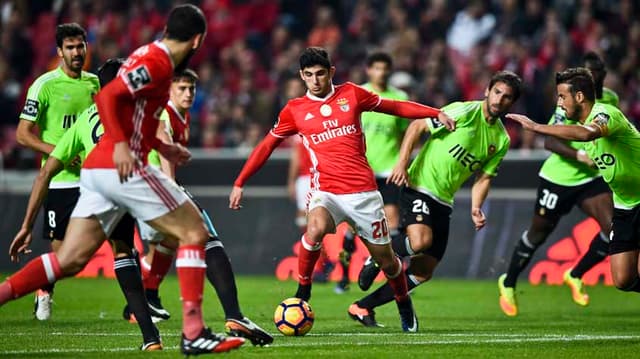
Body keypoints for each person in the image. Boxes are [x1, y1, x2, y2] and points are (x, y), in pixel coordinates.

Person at [0, 5, 245, 355]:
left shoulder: (151, 56)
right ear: (197, 40)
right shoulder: (157, 63)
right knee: (194, 231)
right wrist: (119, 145)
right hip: (121, 167)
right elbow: (108, 96)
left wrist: (164, 146)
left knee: (69, 260)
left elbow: (136, 115)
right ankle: (193, 331)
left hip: (96, 173)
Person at [229, 47, 456, 332]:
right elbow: (266, 145)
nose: (315, 80)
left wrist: (435, 113)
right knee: (314, 229)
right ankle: (303, 292)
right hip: (327, 191)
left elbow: (395, 107)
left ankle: (403, 303)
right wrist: (240, 182)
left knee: (387, 261)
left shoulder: (352, 94)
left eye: (320, 74)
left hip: (363, 194)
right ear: (302, 76)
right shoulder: (295, 110)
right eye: (309, 75)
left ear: (331, 72)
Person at [9, 58, 162, 351]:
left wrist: (26, 225)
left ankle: (151, 335)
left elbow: (45, 172)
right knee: (185, 237)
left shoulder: (87, 117)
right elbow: (151, 152)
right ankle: (161, 330)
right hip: (121, 186)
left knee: (73, 259)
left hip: (93, 189)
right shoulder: (135, 113)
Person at [352, 71, 522, 328]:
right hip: (419, 185)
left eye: (507, 97)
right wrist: (402, 163)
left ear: (512, 103)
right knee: (421, 241)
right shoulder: (464, 112)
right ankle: (377, 256)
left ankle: (362, 307)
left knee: (423, 270)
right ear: (487, 91)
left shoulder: (501, 140)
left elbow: (483, 178)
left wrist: (476, 207)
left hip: (444, 200)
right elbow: (418, 125)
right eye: (497, 92)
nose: (500, 99)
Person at [124, 69, 273, 346]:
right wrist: (173, 193)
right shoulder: (166, 114)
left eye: (191, 89)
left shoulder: (183, 114)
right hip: (156, 186)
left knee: (166, 244)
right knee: (206, 237)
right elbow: (166, 152)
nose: (188, 94)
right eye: (181, 89)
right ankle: (234, 315)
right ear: (170, 90)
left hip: (147, 187)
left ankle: (146, 298)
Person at [498, 52, 617, 317]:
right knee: (539, 233)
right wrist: (579, 155)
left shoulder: (610, 100)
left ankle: (575, 274)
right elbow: (550, 142)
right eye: (588, 74)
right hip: (558, 179)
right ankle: (508, 281)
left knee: (614, 230)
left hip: (590, 179)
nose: (592, 79)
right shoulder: (567, 106)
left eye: (596, 75)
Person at [507, 67, 640, 300]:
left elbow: (587, 133)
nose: (559, 103)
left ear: (579, 97)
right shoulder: (579, 123)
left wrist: (536, 127)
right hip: (625, 206)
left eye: (562, 97)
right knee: (623, 279)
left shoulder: (605, 113)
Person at [15, 22, 100, 320]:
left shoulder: (95, 84)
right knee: (62, 256)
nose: (77, 52)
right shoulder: (44, 85)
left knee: (121, 241)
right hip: (60, 181)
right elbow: (23, 134)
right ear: (60, 51)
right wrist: (60, 153)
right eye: (71, 47)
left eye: (81, 46)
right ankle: (44, 291)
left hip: (95, 180)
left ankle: (143, 305)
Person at [354, 51, 409, 293]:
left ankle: (392, 268)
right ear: (369, 70)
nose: (382, 72)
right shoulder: (357, 95)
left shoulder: (399, 97)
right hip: (363, 169)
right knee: (357, 221)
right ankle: (346, 269)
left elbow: (405, 134)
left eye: (385, 68)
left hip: (389, 169)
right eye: (377, 68)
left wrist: (402, 163)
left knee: (393, 217)